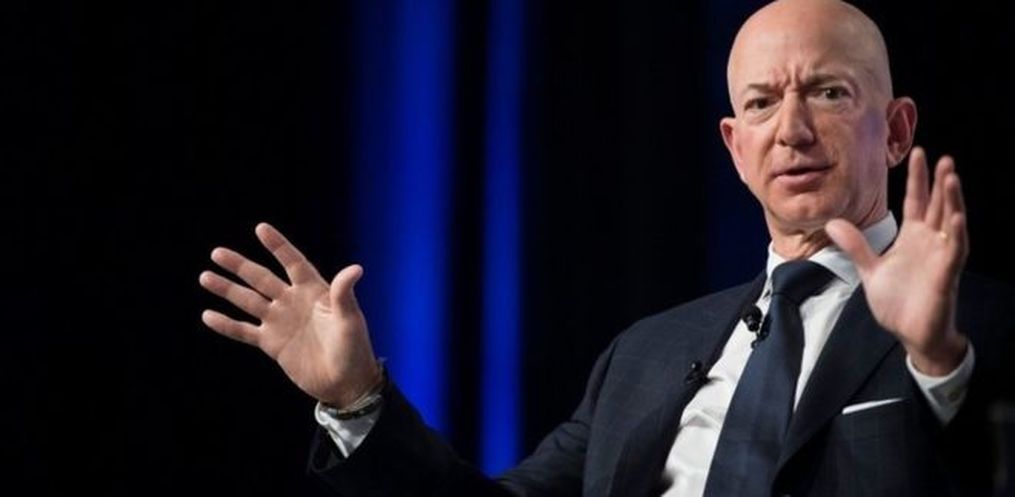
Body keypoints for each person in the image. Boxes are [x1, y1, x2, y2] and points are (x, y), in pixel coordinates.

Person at [198, 1, 1013, 495]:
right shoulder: (645, 355)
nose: (791, 130)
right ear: (734, 147)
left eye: (828, 93)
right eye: (761, 104)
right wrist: (356, 399)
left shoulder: (979, 326)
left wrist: (935, 359)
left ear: (895, 130)